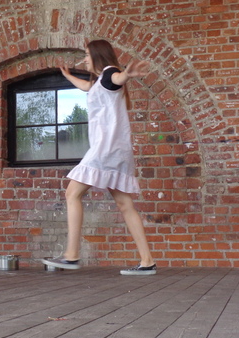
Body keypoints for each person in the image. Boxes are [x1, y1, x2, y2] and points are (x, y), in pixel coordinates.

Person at [44, 39, 157, 275]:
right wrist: (68, 76)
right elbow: (89, 87)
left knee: (72, 193)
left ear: (97, 55)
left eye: (87, 54)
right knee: (125, 204)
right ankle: (147, 261)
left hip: (105, 150)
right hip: (117, 150)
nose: (85, 59)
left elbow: (116, 79)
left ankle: (71, 255)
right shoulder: (98, 82)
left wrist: (127, 74)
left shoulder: (109, 74)